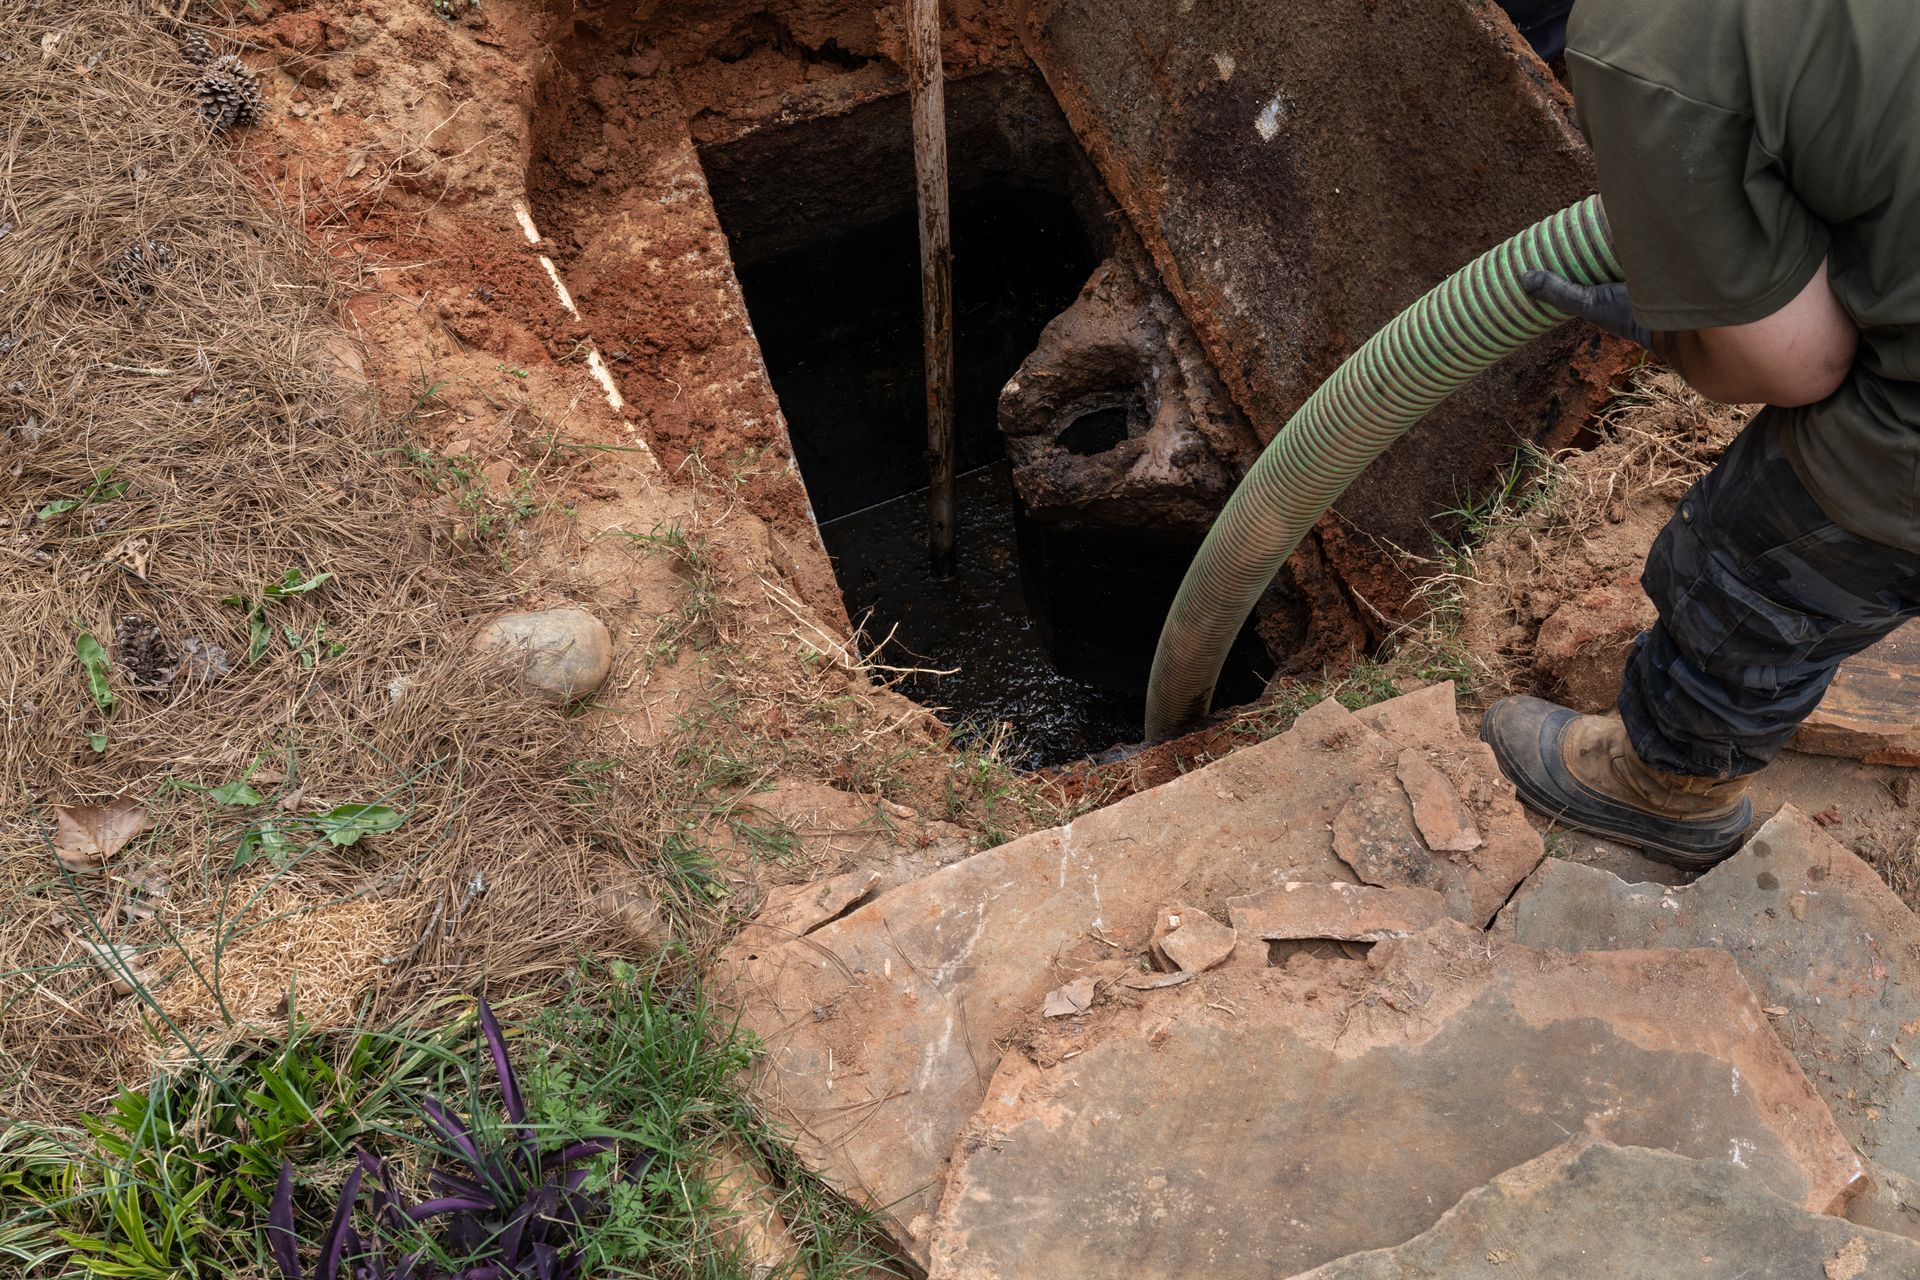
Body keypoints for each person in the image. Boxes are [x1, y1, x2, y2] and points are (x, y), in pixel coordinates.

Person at [1479, 0, 1920, 869]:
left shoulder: (1647, 32)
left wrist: (1685, 334)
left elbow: (1799, 365)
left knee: (1765, 548)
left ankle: (1666, 788)